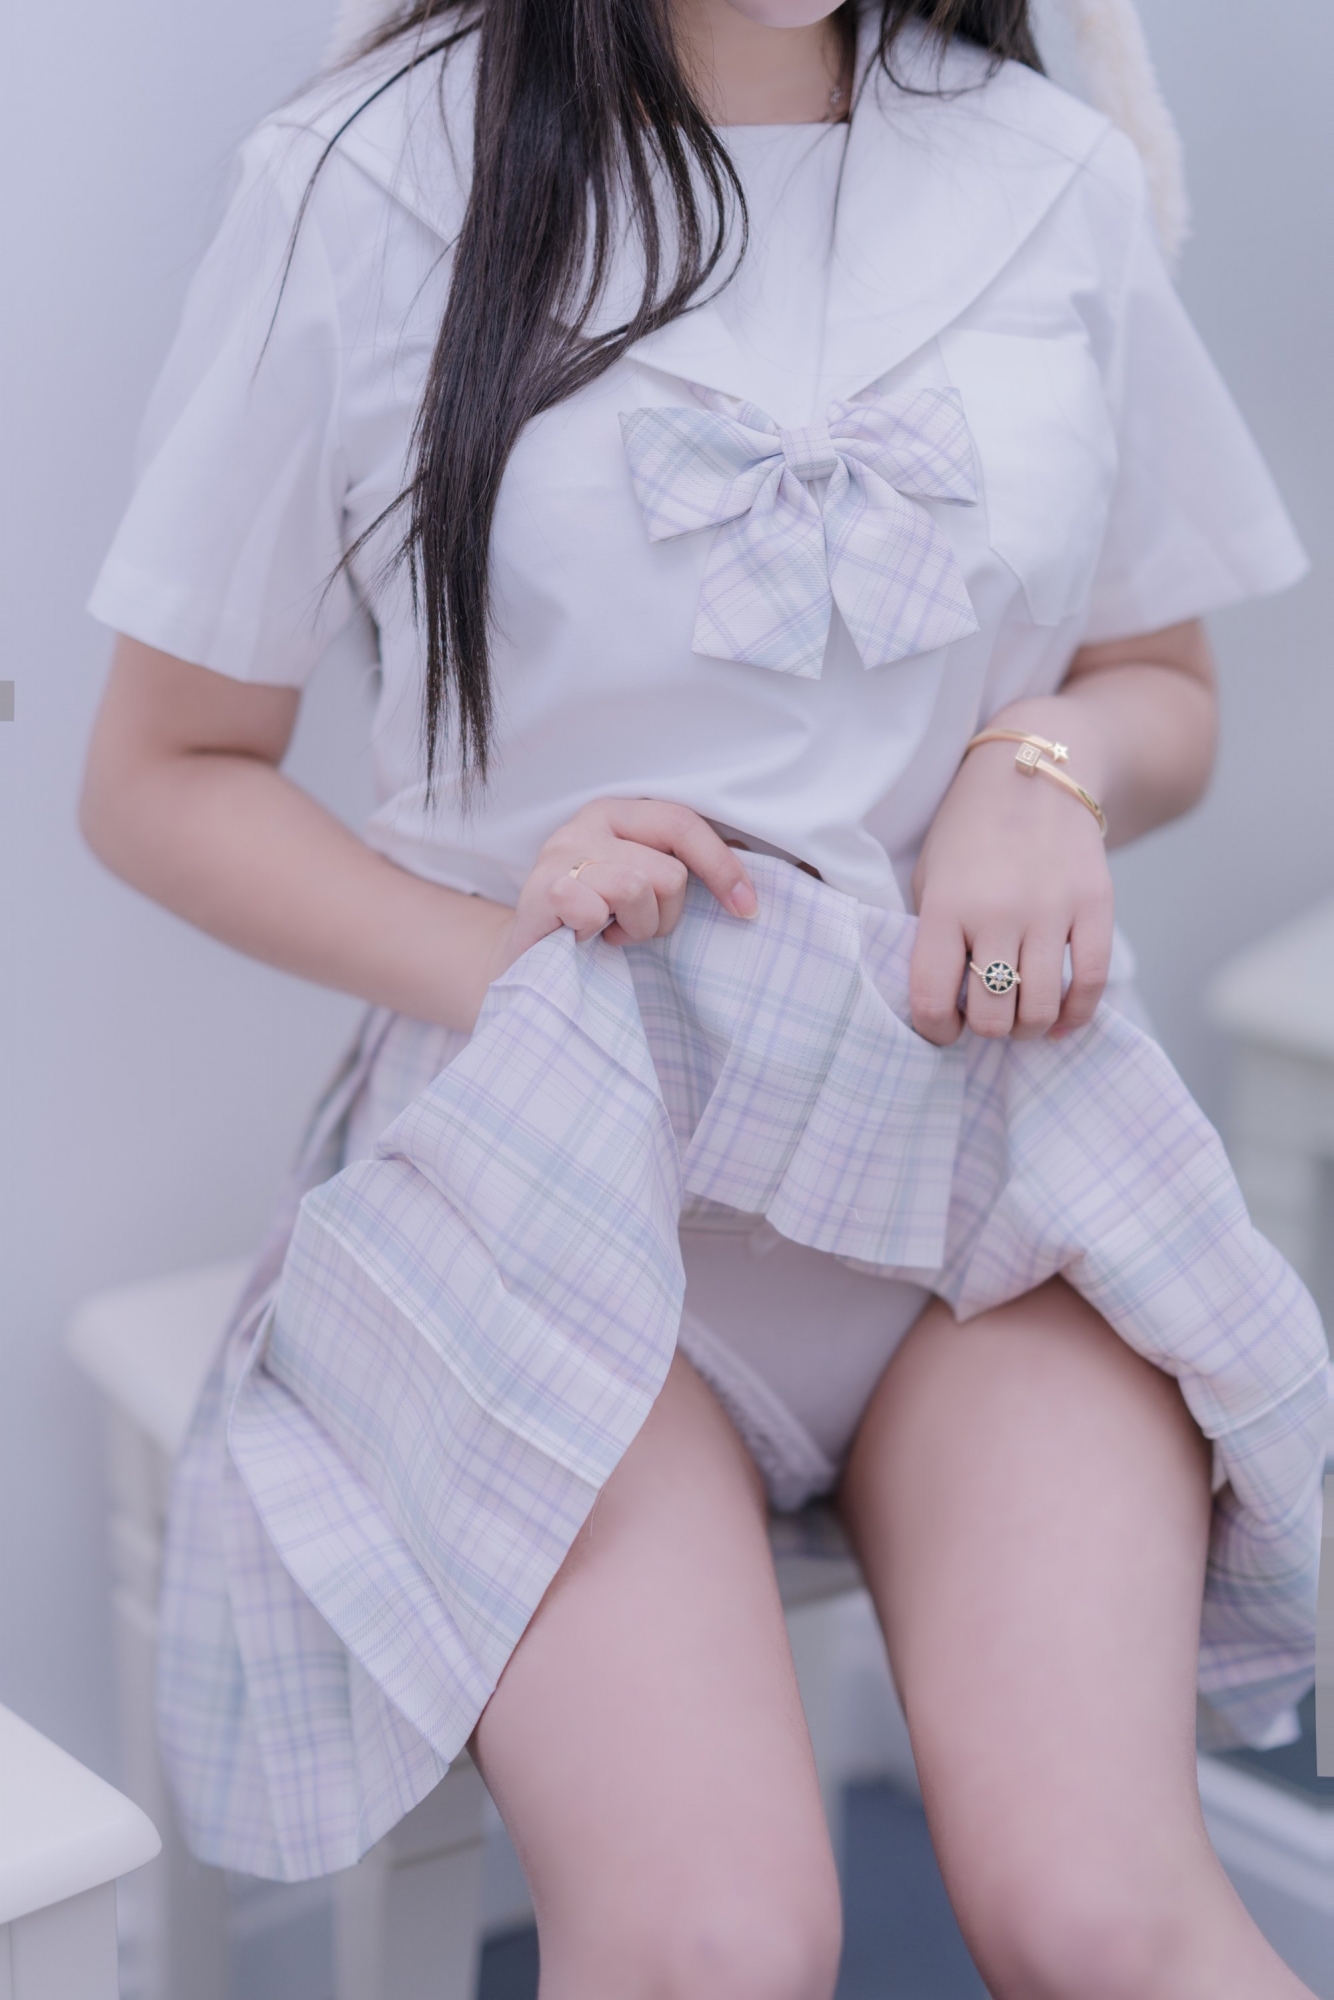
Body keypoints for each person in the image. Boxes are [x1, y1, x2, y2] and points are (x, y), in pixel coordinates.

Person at [79, 1, 1323, 1993]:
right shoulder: (366, 177)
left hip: (976, 1160)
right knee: (711, 1946)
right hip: (552, 1165)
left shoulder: (1045, 170)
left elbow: (1157, 686)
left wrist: (1043, 764)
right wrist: (506, 951)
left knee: (1104, 1914)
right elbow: (158, 776)